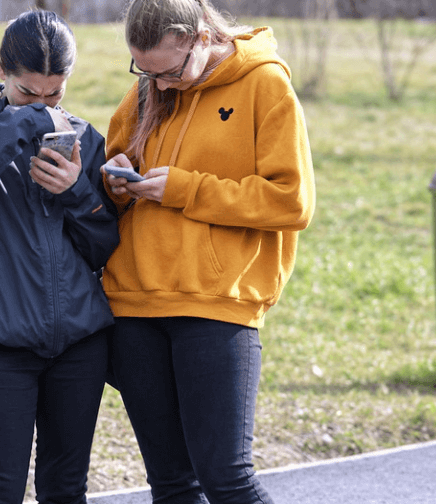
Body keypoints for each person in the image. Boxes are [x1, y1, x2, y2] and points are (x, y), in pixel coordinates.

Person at [100, 0, 316, 503]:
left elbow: (292, 201)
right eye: (144, 70)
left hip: (216, 305)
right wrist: (115, 183)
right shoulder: (150, 88)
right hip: (134, 305)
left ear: (200, 37)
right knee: (172, 486)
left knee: (227, 479)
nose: (160, 83)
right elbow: (116, 163)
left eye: (170, 70)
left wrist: (184, 188)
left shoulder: (265, 84)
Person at [0, 10, 119, 504]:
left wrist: (78, 192)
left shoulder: (85, 138)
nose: (44, 103)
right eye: (28, 91)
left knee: (66, 490)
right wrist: (22, 121)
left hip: (80, 342)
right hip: (0, 342)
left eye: (54, 94)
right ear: (2, 70)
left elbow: (105, 245)